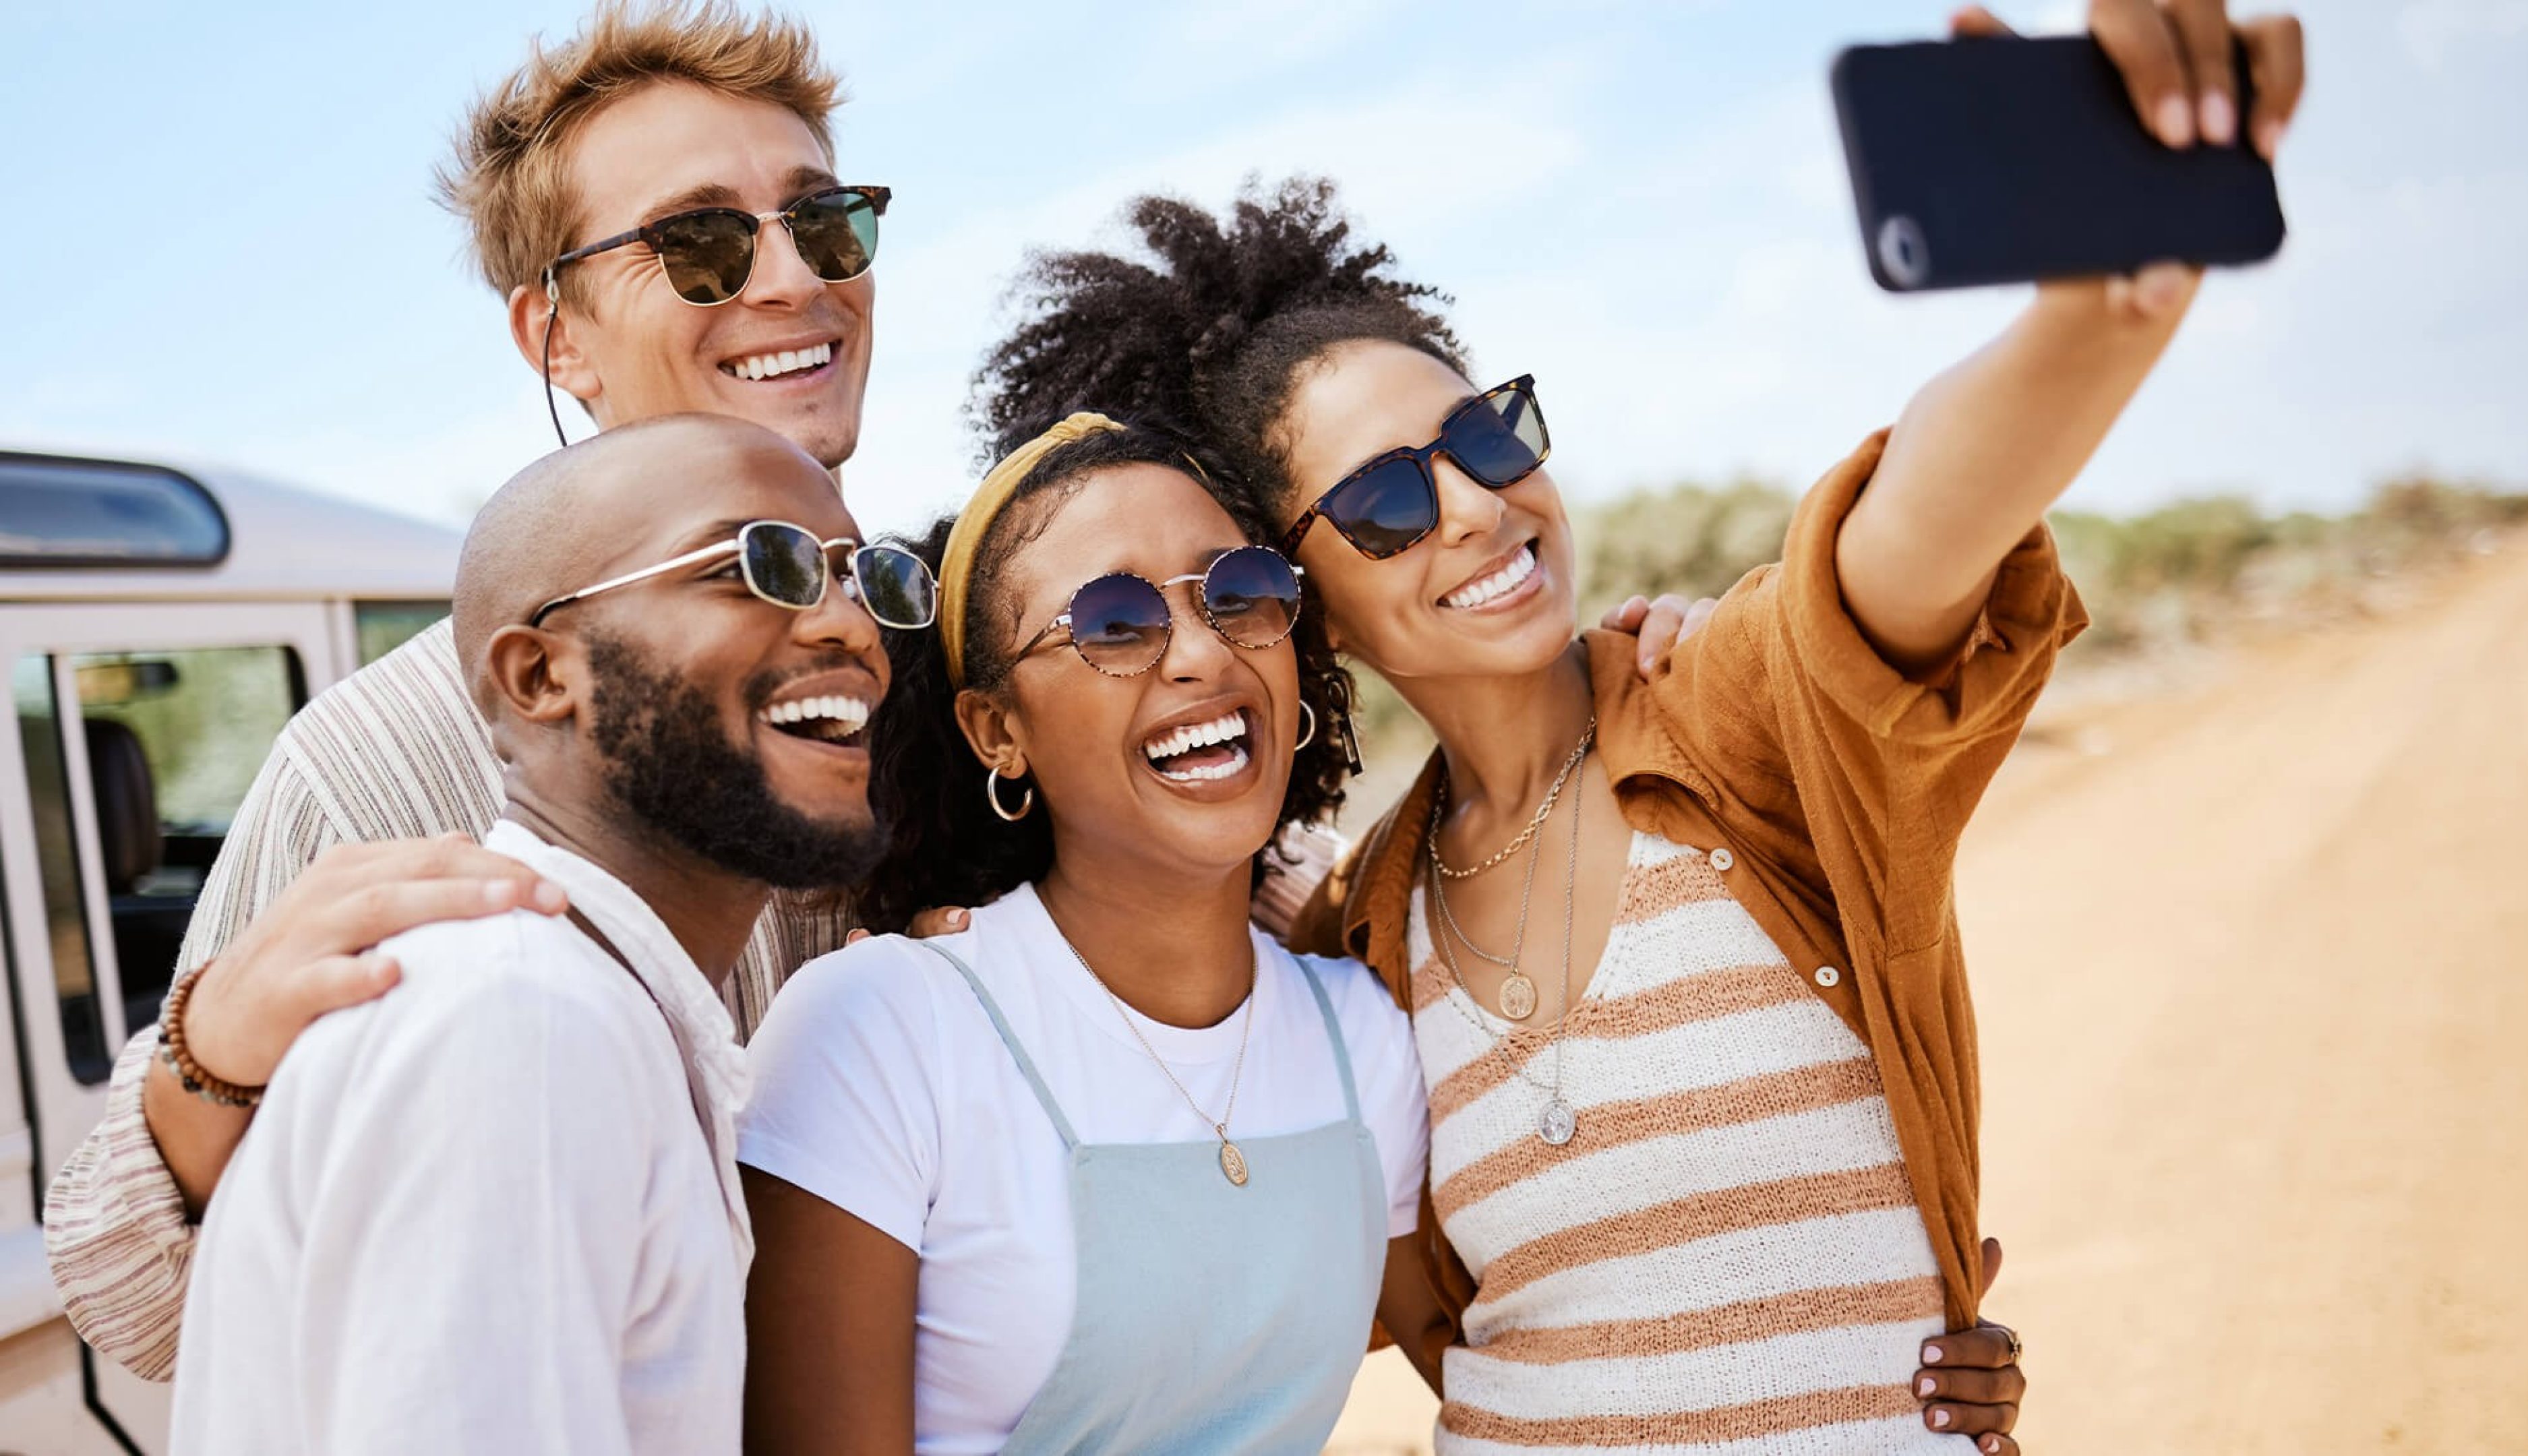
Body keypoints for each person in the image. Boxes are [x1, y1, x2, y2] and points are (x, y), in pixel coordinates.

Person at [42, 0, 1712, 1383]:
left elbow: (1232, 933)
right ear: (551, 335)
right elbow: (150, 1310)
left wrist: (1602, 688)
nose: (790, 276)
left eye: (823, 221)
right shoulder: (391, 757)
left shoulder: (926, 658)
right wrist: (199, 1067)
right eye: (700, 244)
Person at [968, 7, 2308, 1450]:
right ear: (1309, 611)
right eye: (1388, 504)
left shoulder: (1736, 720)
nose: (1478, 508)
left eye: (1485, 439)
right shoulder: (1356, 942)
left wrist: (2100, 303)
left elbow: (1914, 529)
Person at [169, 414, 900, 1453]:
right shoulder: (522, 1021)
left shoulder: (591, 1006)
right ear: (540, 677)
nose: (852, 628)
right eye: (760, 566)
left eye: (865, 578)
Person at [735, 415, 1435, 1454]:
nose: (1201, 652)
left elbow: (1512, 1368)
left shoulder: (1364, 1042)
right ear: (997, 733)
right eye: (1112, 623)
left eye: (1239, 592)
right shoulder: (882, 1031)